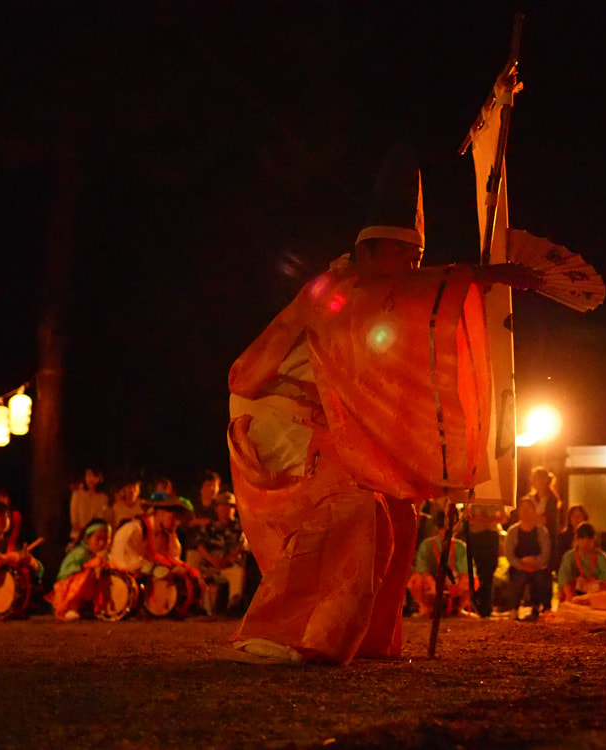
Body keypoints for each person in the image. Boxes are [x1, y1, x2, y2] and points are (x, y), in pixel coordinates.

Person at [226, 145, 540, 665]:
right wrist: (479, 275)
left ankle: (363, 637)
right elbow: (409, 297)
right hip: (275, 414)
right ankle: (280, 633)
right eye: (403, 256)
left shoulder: (383, 300)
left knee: (398, 510)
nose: (412, 269)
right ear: (369, 251)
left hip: (330, 424)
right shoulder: (334, 288)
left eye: (416, 259)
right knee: (353, 505)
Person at [407, 515, 473, 617]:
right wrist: (433, 585)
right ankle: (427, 608)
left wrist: (457, 586)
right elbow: (422, 568)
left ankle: (458, 608)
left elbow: (465, 571)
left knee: (470, 580)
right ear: (437, 528)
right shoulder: (427, 544)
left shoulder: (460, 546)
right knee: (417, 580)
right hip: (433, 579)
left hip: (453, 579)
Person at [195, 491, 247, 615]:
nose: (225, 509)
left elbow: (242, 546)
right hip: (211, 566)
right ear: (216, 509)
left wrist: (227, 561)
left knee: (238, 573)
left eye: (229, 506)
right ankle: (204, 609)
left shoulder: (241, 527)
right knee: (199, 575)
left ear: (234, 509)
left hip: (230, 566)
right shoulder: (209, 527)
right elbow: (200, 546)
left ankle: (233, 605)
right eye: (222, 506)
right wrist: (213, 560)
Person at [49, 518, 111, 621]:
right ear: (86, 539)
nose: (102, 543)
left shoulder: (96, 554)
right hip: (66, 591)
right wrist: (90, 565)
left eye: (106, 539)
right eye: (98, 539)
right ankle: (70, 608)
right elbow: (67, 574)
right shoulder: (80, 553)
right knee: (87, 574)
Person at [503, 497, 552, 621]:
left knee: (541, 578)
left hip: (537, 566)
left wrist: (535, 562)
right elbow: (509, 554)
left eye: (529, 509)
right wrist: (521, 565)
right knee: (518, 578)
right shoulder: (513, 531)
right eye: (523, 509)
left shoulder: (541, 531)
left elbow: (546, 552)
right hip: (519, 566)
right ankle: (513, 608)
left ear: (534, 511)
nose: (525, 512)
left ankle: (543, 608)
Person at [463, 503, 507, 618]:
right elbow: (468, 518)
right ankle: (476, 605)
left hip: (492, 536)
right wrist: (490, 520)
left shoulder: (496, 499)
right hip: (476, 537)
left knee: (489, 571)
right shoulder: (472, 499)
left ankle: (486, 607)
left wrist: (483, 520)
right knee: (477, 571)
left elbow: (503, 517)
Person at [557, 522, 606, 602]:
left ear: (594, 539)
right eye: (582, 539)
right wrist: (569, 595)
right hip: (574, 592)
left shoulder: (600, 557)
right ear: (577, 539)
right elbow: (564, 576)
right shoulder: (569, 556)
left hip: (596, 593)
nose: (585, 543)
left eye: (589, 540)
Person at [184, 470, 223, 570]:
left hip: (215, 548)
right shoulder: (192, 506)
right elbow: (187, 525)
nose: (213, 489)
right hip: (195, 549)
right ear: (201, 488)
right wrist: (196, 522)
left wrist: (209, 522)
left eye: (215, 485)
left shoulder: (221, 506)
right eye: (209, 485)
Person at [69, 467, 110, 544]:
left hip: (96, 539)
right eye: (88, 475)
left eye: (94, 476)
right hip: (78, 538)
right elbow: (74, 520)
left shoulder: (103, 498)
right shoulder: (77, 495)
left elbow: (103, 519)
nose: (91, 479)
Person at [553, 505, 589, 573]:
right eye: (574, 516)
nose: (577, 519)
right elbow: (559, 558)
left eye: (579, 516)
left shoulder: (590, 536)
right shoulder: (563, 537)